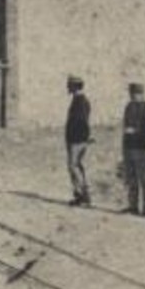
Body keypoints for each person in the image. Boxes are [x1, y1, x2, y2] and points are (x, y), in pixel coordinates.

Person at [120, 81, 145, 216]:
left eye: (136, 94)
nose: (133, 96)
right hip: (129, 147)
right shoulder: (129, 107)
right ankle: (133, 206)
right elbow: (125, 126)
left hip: (142, 148)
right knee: (131, 178)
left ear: (142, 94)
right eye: (132, 94)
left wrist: (135, 131)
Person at [64, 75, 92, 206]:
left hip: (77, 139)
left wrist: (79, 138)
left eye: (69, 85)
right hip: (78, 139)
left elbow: (80, 122)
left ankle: (82, 195)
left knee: (73, 166)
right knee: (77, 166)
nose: (67, 88)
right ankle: (81, 194)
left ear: (75, 86)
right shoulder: (80, 100)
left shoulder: (80, 101)